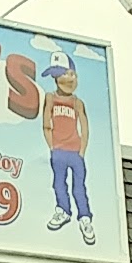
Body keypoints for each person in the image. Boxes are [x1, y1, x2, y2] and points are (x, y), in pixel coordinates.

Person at [39, 51, 94, 244]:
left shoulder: (77, 102)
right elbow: (46, 123)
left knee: (79, 186)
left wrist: (82, 150)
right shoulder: (50, 98)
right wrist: (52, 147)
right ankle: (63, 210)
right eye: (58, 75)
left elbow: (84, 127)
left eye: (68, 74)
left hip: (75, 151)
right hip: (58, 151)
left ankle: (85, 217)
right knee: (58, 183)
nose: (63, 79)